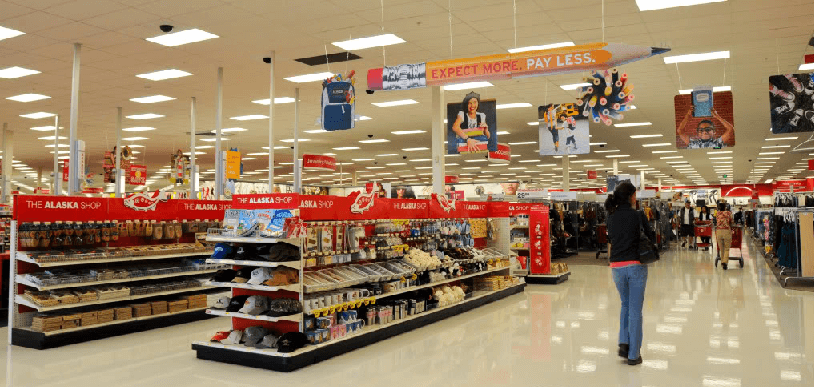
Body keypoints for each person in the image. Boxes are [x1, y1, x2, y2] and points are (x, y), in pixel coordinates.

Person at [605, 181, 652, 366]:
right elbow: (650, 236)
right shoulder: (638, 215)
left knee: (625, 305)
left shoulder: (611, 216)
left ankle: (624, 343)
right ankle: (633, 355)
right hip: (635, 265)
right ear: (631, 196)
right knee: (635, 310)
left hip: (616, 266)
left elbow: (611, 239)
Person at [715, 202, 734, 270]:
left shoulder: (716, 213)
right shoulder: (728, 213)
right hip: (726, 231)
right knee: (726, 248)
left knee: (721, 249)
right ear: (725, 207)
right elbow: (731, 222)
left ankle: (723, 262)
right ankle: (725, 262)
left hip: (718, 232)